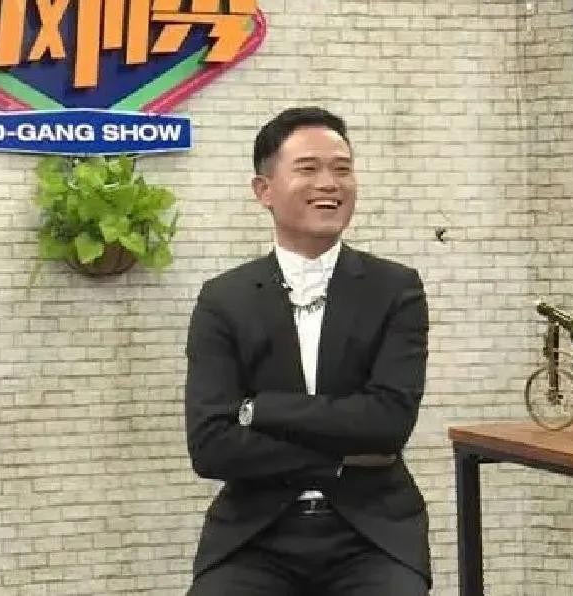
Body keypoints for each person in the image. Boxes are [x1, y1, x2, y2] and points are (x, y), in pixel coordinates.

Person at [184, 106, 432, 595]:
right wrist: (339, 457)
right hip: (255, 533)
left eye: (342, 169)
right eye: (308, 168)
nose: (329, 183)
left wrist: (262, 410)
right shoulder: (224, 299)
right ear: (264, 190)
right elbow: (211, 446)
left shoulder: (395, 288)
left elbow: (388, 422)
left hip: (372, 532)